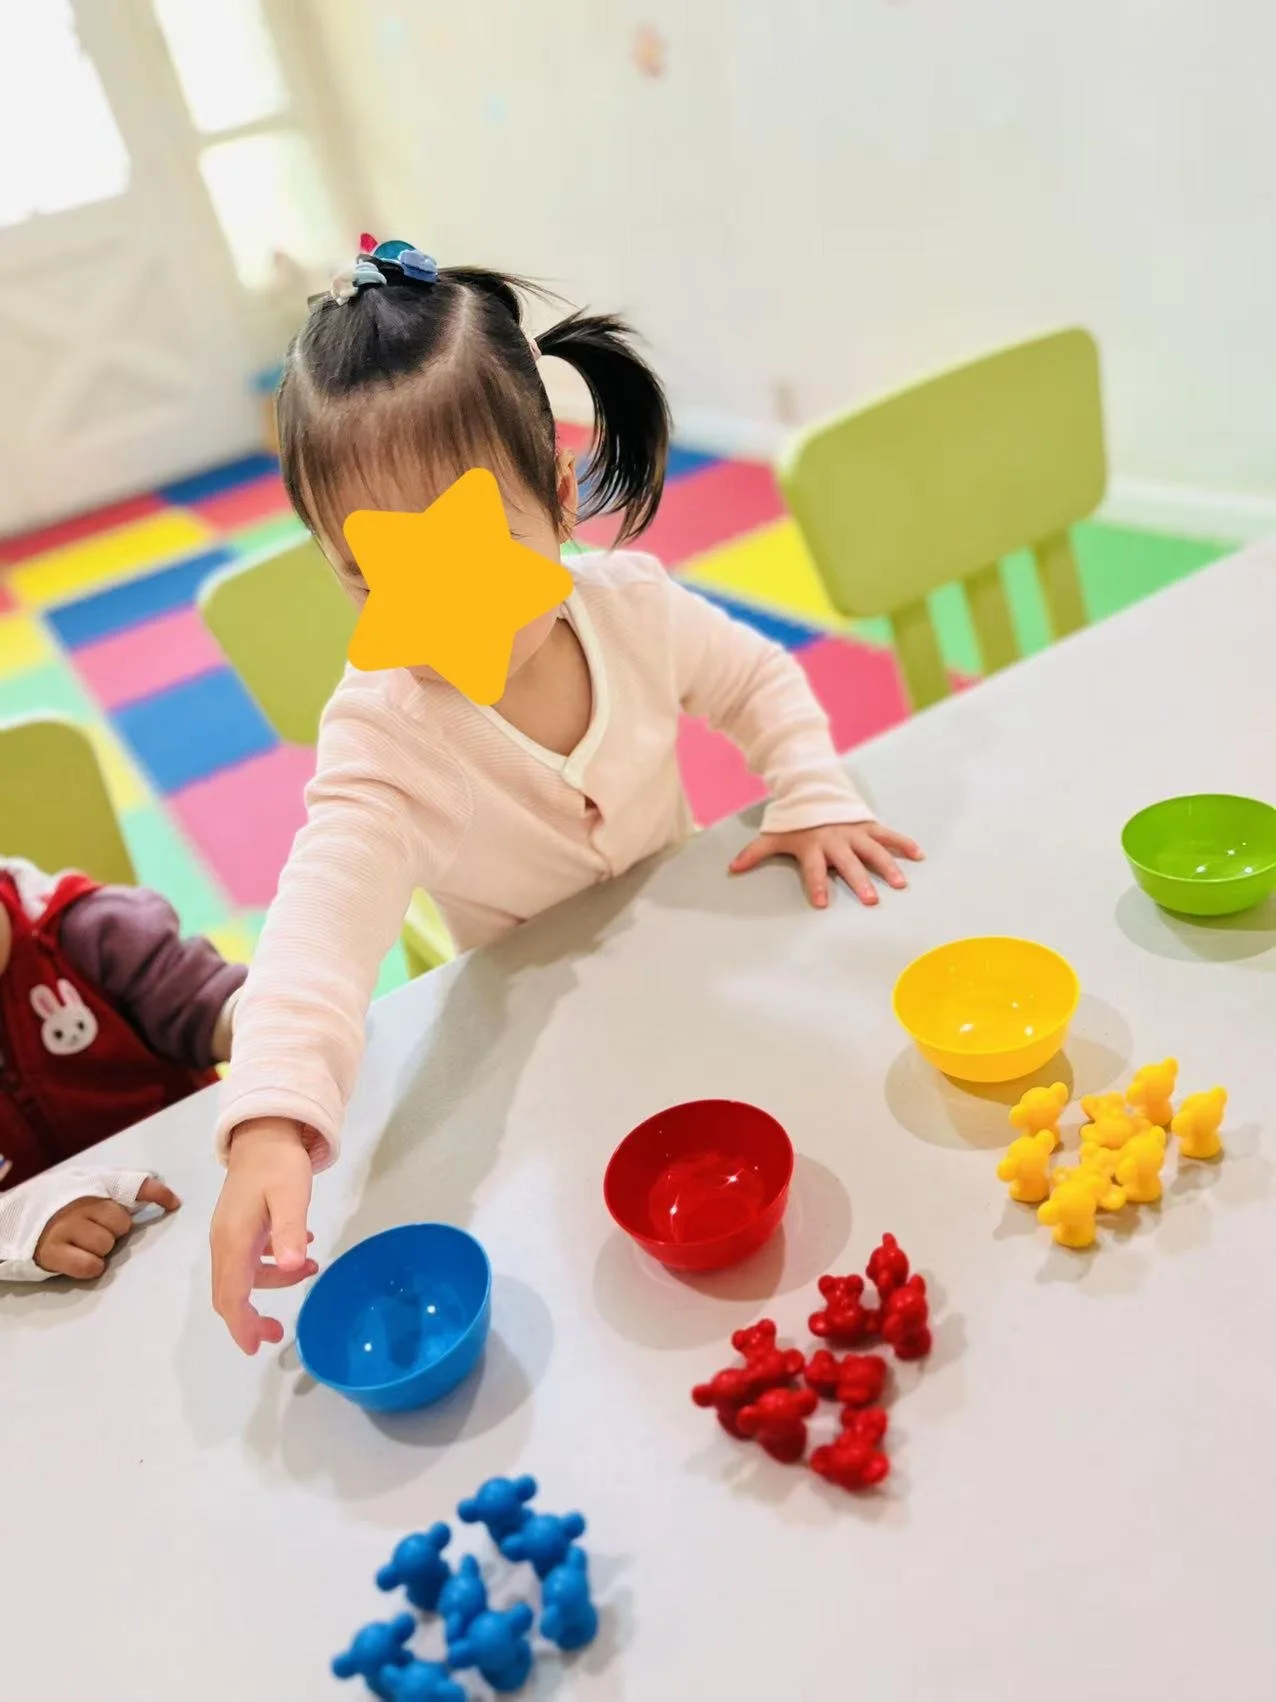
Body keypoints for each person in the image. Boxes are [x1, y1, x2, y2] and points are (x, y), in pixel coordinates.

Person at [210, 238, 923, 1352]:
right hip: (537, 1050)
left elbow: (755, 678)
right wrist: (271, 1114)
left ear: (555, 497)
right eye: (377, 576)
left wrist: (811, 790)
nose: (441, 615)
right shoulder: (387, 733)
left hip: (696, 982)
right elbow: (317, 926)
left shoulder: (630, 608)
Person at [0, 856, 244, 1282]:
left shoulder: (88, 931)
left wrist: (270, 1020)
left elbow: (212, 1005)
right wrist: (18, 1221)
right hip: (60, 1290)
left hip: (208, 1202)